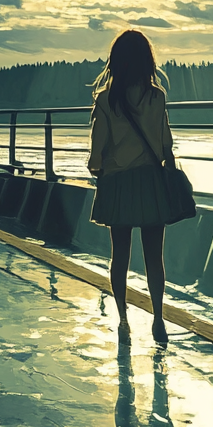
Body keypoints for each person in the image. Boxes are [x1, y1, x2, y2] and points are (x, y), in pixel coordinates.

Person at [88, 29, 175, 344]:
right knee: (154, 256)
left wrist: (96, 168)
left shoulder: (106, 100)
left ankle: (123, 319)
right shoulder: (157, 97)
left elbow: (98, 149)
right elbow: (166, 144)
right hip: (151, 182)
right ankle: (158, 319)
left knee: (119, 255)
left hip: (118, 182)